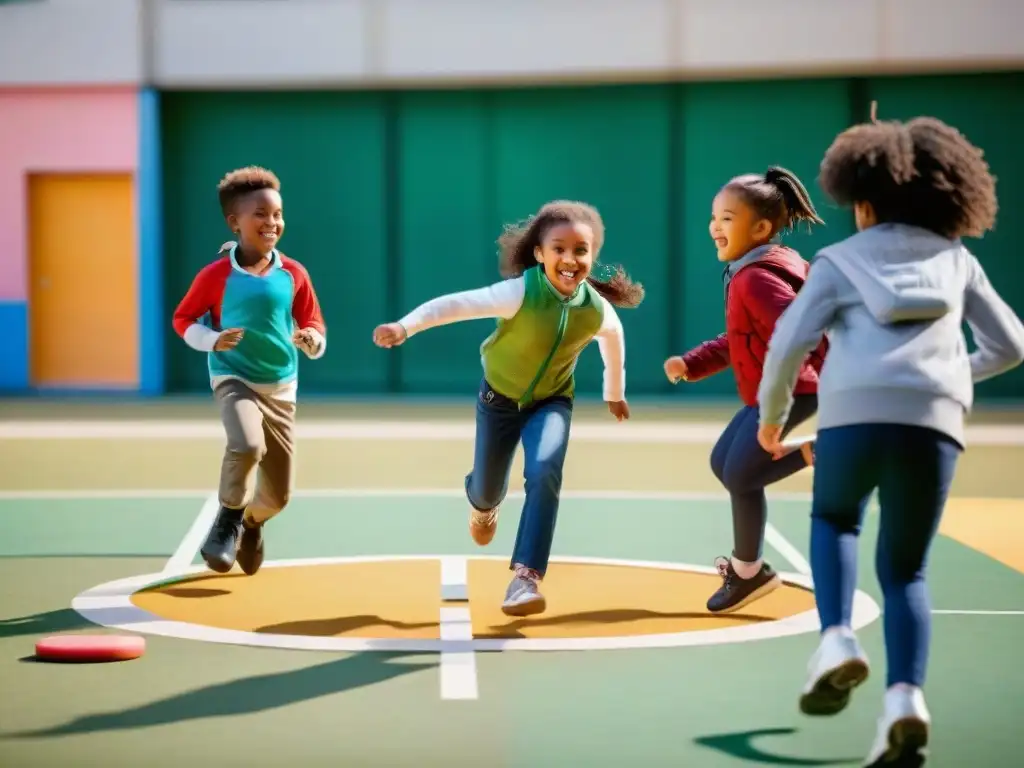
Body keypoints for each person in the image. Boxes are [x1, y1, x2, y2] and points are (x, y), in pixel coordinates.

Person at [756, 109, 1024, 767]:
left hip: (852, 418)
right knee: (907, 571)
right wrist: (950, 374)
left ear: (865, 202)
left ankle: (839, 640)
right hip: (934, 425)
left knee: (837, 520)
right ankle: (906, 701)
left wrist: (772, 415)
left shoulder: (838, 260)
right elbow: (1012, 345)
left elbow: (790, 341)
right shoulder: (956, 260)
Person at [373, 201, 643, 616]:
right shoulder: (519, 292)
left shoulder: (595, 309)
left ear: (593, 256)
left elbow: (613, 339)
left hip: (552, 402)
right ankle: (483, 504)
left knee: (545, 470)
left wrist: (614, 392)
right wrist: (404, 327)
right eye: (559, 248)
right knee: (485, 489)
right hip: (498, 400)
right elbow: (454, 306)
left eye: (581, 250)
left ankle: (525, 578)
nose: (570, 259)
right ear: (539, 253)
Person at [664, 167, 826, 615]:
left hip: (795, 385)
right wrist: (692, 363)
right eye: (714, 217)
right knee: (725, 463)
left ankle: (750, 572)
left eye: (727, 218)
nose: (715, 226)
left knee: (741, 474)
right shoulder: (756, 269)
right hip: (777, 387)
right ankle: (817, 453)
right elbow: (739, 338)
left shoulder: (755, 277)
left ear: (760, 228)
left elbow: (798, 332)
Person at [172, 166, 327, 576]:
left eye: (276, 214)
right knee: (246, 444)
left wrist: (312, 340)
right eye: (260, 214)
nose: (271, 222)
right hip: (233, 375)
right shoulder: (216, 275)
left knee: (278, 497)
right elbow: (184, 319)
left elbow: (313, 322)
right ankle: (226, 523)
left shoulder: (294, 273)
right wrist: (211, 340)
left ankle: (252, 523)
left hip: (281, 386)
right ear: (234, 222)